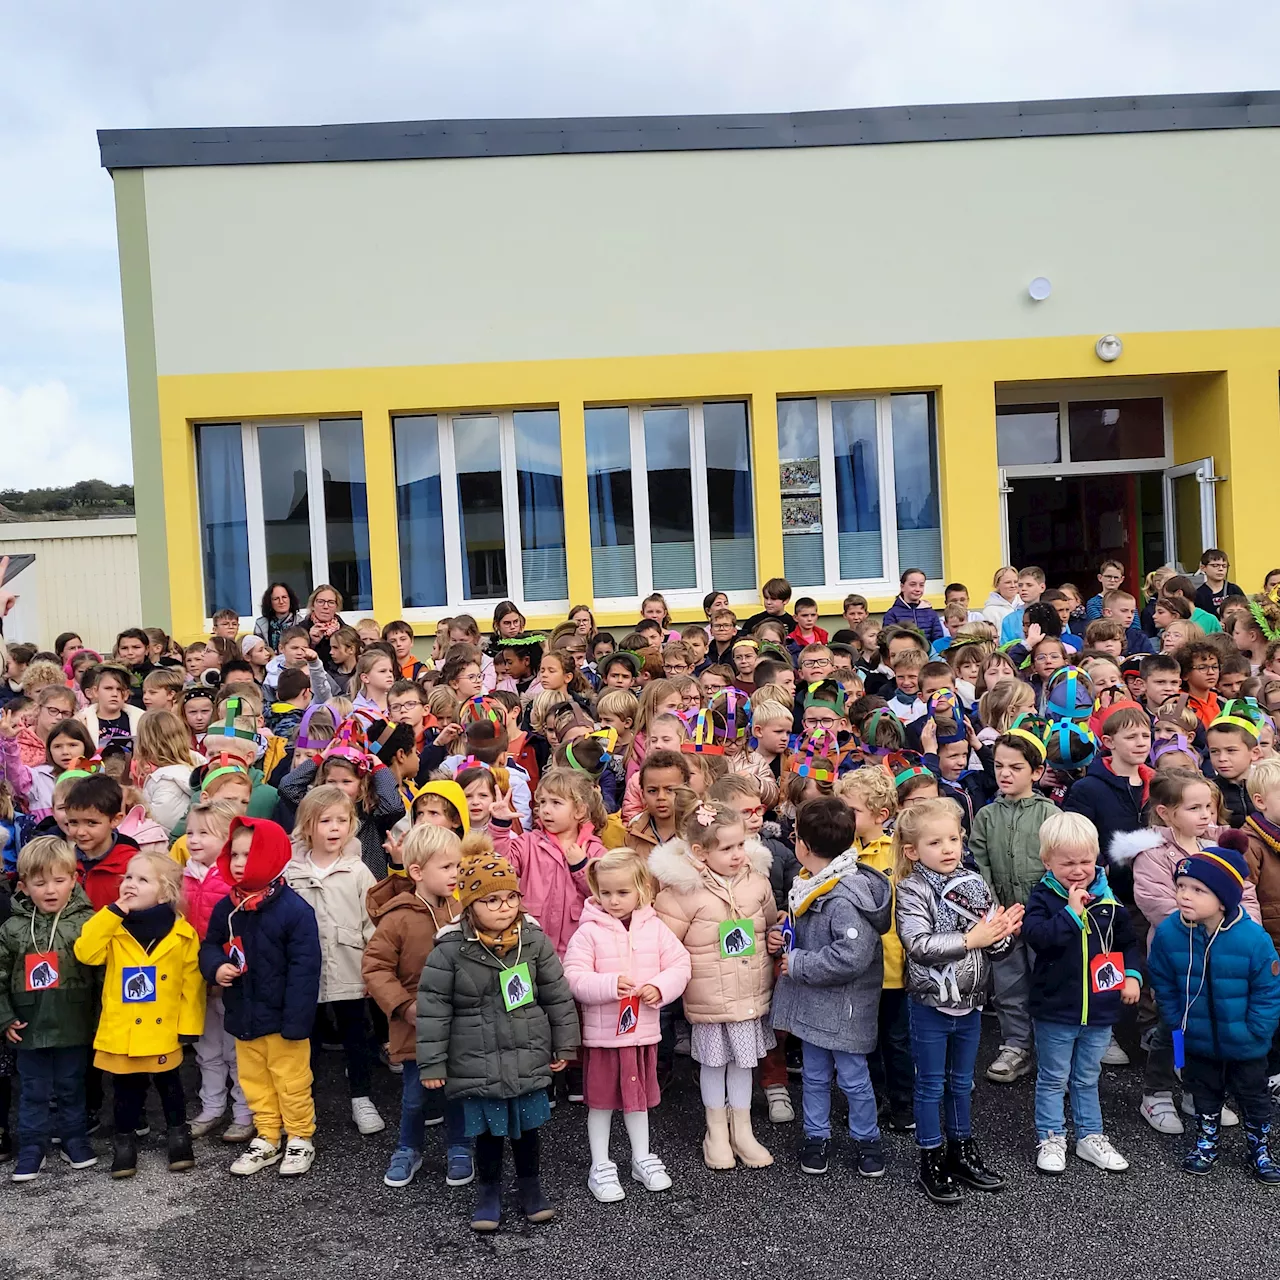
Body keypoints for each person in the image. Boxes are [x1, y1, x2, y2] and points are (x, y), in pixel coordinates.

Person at [417, 848, 580, 1231]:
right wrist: (432, 1063)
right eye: (491, 899)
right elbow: (433, 1010)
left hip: (527, 1055)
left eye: (510, 897)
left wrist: (564, 1044)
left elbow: (557, 995)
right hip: (477, 1059)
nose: (503, 907)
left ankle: (531, 1189)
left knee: (527, 1132)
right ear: (471, 904)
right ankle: (488, 1192)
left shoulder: (534, 942)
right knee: (488, 1134)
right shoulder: (449, 950)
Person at [895, 797, 1021, 1203]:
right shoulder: (912, 890)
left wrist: (1003, 933)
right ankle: (930, 1157)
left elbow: (995, 948)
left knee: (961, 1083)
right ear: (913, 851)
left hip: (971, 1003)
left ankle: (961, 1149)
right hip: (931, 1004)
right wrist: (973, 939)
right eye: (935, 843)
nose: (949, 848)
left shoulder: (974, 881)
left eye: (954, 839)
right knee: (931, 1084)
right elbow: (917, 944)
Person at [768, 796, 892, 1178]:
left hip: (842, 1008)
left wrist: (799, 963)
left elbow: (851, 955)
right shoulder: (811, 884)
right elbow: (800, 926)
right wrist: (781, 935)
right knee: (816, 1075)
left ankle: (866, 1138)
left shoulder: (842, 896)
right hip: (816, 1003)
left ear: (801, 844)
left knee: (854, 1077)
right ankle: (816, 1135)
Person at [651, 801, 777, 1170]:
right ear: (699, 852)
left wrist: (775, 939)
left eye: (741, 845)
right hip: (709, 996)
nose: (738, 855)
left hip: (749, 989)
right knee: (713, 1063)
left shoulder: (757, 880)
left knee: (742, 1062)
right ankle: (716, 1130)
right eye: (727, 848)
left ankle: (743, 1129)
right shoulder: (680, 891)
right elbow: (666, 945)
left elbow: (768, 923)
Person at [562, 848, 691, 1202]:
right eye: (605, 892)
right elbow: (573, 976)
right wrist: (606, 985)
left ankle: (641, 1157)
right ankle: (600, 1164)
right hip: (604, 1037)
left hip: (642, 1033)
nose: (613, 900)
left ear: (641, 890)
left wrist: (660, 988)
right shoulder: (587, 932)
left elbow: (680, 964)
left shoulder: (655, 928)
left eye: (622, 892)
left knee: (639, 1102)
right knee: (601, 1103)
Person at [364, 824, 487, 1190]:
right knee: (416, 1095)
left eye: (457, 866)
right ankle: (407, 1148)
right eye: (447, 867)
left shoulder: (463, 907)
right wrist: (403, 1007)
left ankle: (460, 1145)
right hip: (415, 1023)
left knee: (459, 1088)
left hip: (461, 1021)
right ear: (417, 872)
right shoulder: (397, 917)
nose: (456, 874)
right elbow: (375, 967)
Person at [1148, 845, 1280, 1181]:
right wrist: (1179, 1026)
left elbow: (1269, 989)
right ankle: (1206, 1143)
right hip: (1194, 1040)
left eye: (1197, 889)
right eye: (1180, 886)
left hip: (1246, 1043)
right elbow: (1162, 982)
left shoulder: (1252, 938)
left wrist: (1258, 1031)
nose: (1184, 895)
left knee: (1254, 1095)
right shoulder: (1168, 934)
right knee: (1202, 1091)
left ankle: (1260, 1149)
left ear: (1223, 900)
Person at [200, 816, 322, 1177]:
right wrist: (216, 966)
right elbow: (210, 944)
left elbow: (305, 970)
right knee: (254, 1080)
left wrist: (297, 1023)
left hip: (284, 1018)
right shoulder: (228, 907)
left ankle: (300, 1135)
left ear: (270, 857)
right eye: (234, 854)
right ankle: (267, 1134)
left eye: (247, 855)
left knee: (292, 1080)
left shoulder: (295, 911)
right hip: (243, 1013)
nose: (238, 863)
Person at [1022, 812, 1141, 1174]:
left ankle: (1090, 1136)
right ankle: (1051, 1136)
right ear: (1047, 862)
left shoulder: (1109, 898)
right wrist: (1071, 914)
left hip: (1101, 1010)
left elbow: (1126, 941)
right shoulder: (1043, 898)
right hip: (1056, 1008)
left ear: (1097, 858)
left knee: (1088, 1076)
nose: (1078, 870)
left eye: (1085, 861)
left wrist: (1133, 976)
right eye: (1067, 863)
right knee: (1054, 1077)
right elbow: (1038, 938)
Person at [74, 850, 205, 1178]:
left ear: (164, 892)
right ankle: (124, 1142)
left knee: (170, 1086)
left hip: (163, 1028)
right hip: (124, 1029)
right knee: (125, 1090)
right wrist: (113, 911)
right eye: (128, 877)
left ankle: (178, 1135)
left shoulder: (183, 933)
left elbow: (192, 983)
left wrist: (189, 1025)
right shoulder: (113, 926)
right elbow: (86, 952)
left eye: (142, 879)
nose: (131, 884)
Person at [283, 785, 382, 1137]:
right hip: (304, 972)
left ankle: (361, 1097)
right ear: (308, 826)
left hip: (350, 967)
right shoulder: (290, 873)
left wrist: (373, 970)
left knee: (356, 1035)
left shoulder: (358, 871)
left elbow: (373, 924)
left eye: (343, 820)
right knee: (304, 1040)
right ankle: (301, 1103)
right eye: (326, 821)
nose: (335, 828)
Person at [0, 836, 98, 1182]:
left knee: (73, 1086)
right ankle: (32, 1148)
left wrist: (101, 1018)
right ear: (24, 886)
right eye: (40, 883)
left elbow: (103, 974)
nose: (51, 890)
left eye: (59, 880)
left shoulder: (88, 923)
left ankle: (75, 1140)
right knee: (34, 1091)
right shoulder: (11, 929)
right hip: (29, 1026)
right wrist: (5, 1018)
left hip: (75, 1023)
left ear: (74, 879)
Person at [970, 729, 1059, 1085]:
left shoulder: (1050, 813)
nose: (1005, 774)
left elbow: (1058, 864)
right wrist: (997, 909)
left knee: (1047, 980)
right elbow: (979, 865)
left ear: (1036, 772)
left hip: (1042, 917)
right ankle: (1016, 1046)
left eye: (1016, 767)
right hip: (1001, 918)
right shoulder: (986, 816)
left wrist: (1036, 910)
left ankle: (1052, 1051)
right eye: (999, 766)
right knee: (1007, 984)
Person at [835, 767, 913, 1133]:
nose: (842, 816)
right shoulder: (837, 849)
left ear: (881, 815)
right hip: (854, 967)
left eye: (851, 810)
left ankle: (904, 1104)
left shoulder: (899, 852)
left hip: (894, 966)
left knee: (896, 1040)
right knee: (861, 1042)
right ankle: (871, 1100)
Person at [181, 796, 255, 1144]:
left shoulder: (232, 880)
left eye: (204, 834)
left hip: (229, 975)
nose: (193, 840)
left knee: (236, 1047)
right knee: (206, 1047)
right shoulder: (182, 876)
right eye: (190, 832)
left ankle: (244, 1111)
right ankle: (211, 1106)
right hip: (194, 976)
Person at [882, 568, 943, 643]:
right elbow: (888, 640)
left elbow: (938, 641)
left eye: (921, 585)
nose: (917, 589)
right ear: (902, 587)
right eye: (913, 585)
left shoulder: (931, 613)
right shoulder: (892, 614)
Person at [1195, 550, 1243, 619]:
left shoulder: (1234, 589)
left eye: (1224, 566)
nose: (1220, 569)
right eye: (1215, 565)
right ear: (1203, 568)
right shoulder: (1199, 594)